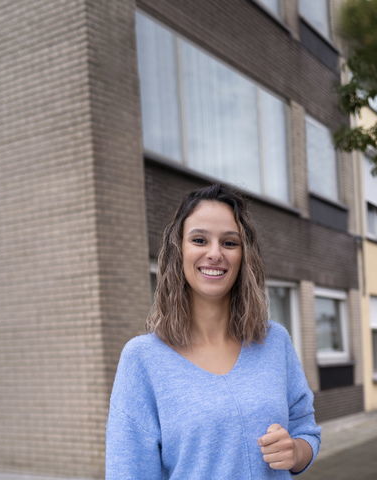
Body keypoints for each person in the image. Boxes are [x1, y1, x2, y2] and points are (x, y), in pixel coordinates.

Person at [105, 184, 321, 479]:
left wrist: (295, 451)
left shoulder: (275, 341)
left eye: (230, 243)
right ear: (178, 250)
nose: (215, 253)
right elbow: (128, 472)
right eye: (199, 240)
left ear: (244, 256)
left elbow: (306, 429)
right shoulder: (142, 359)